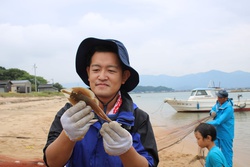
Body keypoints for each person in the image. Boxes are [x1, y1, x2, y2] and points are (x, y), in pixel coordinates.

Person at [43, 37, 159, 167]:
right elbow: (52, 162)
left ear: (124, 76)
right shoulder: (69, 113)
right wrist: (68, 134)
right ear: (88, 73)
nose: (102, 77)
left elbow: (150, 164)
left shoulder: (139, 118)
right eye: (96, 70)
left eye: (111, 70)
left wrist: (125, 150)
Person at [207, 89, 234, 167]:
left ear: (225, 98)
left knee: (227, 154)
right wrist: (211, 112)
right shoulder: (218, 103)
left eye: (220, 97)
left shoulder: (229, 108)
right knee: (214, 151)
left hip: (226, 134)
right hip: (216, 133)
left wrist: (205, 124)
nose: (218, 99)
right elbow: (213, 109)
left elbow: (219, 121)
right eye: (218, 97)